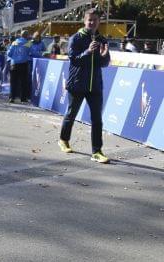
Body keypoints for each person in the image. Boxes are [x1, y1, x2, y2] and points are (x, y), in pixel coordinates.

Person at [58, 8, 111, 163]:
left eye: (95, 20)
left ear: (99, 22)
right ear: (84, 21)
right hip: (77, 84)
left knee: (97, 119)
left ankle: (97, 151)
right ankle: (63, 139)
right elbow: (74, 59)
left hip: (95, 86)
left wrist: (104, 55)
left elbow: (104, 63)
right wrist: (88, 51)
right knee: (71, 114)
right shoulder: (76, 38)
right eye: (89, 20)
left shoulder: (102, 39)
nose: (92, 22)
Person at [7, 30, 30, 103]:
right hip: (23, 64)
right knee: (23, 82)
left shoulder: (14, 42)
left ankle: (12, 98)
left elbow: (9, 53)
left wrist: (15, 57)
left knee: (13, 82)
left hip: (14, 64)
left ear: (21, 35)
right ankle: (23, 98)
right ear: (27, 36)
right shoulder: (28, 43)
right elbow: (32, 52)